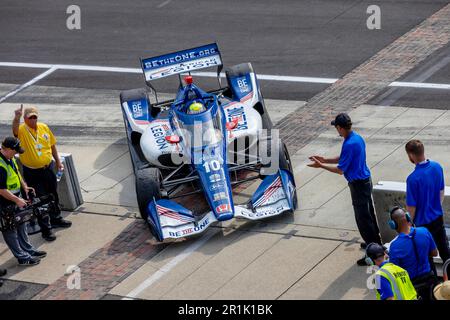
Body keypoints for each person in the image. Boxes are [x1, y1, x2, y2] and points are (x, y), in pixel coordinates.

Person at [308, 113, 381, 265]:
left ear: (340, 127)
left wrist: (321, 166)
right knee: (369, 215)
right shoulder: (356, 138)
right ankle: (375, 242)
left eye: (337, 127)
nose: (337, 130)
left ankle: (374, 252)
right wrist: (325, 159)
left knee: (363, 220)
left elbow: (340, 170)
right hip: (366, 181)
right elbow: (344, 157)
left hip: (358, 185)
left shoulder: (349, 143)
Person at [12, 105, 72, 242]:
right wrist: (17, 117)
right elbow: (14, 129)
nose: (33, 120)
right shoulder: (22, 130)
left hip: (48, 167)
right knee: (40, 200)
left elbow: (52, 145)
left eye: (35, 117)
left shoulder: (44, 127)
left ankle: (56, 218)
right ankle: (46, 230)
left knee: (53, 194)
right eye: (30, 117)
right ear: (25, 118)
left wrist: (58, 161)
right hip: (32, 172)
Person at [0, 137, 47, 266]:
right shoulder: (0, 165)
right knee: (10, 231)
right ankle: (22, 257)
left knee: (22, 224)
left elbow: (17, 174)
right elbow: (1, 190)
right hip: (4, 203)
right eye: (15, 151)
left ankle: (28, 250)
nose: (17, 153)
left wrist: (24, 186)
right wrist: (16, 200)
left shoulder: (10, 158)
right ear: (8, 149)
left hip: (16, 198)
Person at [404, 140, 450, 265]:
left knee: (426, 255)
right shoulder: (437, 167)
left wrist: (408, 225)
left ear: (411, 155)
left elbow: (411, 207)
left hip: (422, 224)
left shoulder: (413, 179)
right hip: (437, 217)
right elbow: (441, 191)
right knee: (444, 249)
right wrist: (435, 207)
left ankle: (432, 281)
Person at [388, 206, 438, 300]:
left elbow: (394, 272)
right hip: (428, 279)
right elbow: (434, 253)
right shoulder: (424, 231)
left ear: (393, 224)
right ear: (408, 217)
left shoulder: (395, 246)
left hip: (410, 285)